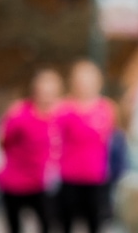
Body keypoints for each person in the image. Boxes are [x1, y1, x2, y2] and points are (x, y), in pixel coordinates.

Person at [0, 69, 62, 233]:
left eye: (51, 92)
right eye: (43, 91)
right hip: (15, 181)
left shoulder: (60, 116)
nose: (47, 96)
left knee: (47, 224)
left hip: (43, 184)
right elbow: (4, 141)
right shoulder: (19, 113)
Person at [55, 61, 115, 233]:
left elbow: (111, 140)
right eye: (80, 79)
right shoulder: (63, 108)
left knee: (95, 223)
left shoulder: (106, 108)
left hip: (96, 177)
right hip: (68, 176)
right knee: (66, 223)